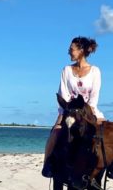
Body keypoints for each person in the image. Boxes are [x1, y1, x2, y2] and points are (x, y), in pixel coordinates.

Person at [43, 36, 104, 176]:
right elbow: (63, 94)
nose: (69, 52)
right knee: (55, 133)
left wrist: (90, 115)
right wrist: (61, 115)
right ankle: (48, 164)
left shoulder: (95, 71)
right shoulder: (66, 70)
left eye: (71, 49)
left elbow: (94, 98)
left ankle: (110, 166)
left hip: (89, 112)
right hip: (69, 113)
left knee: (106, 134)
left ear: (81, 51)